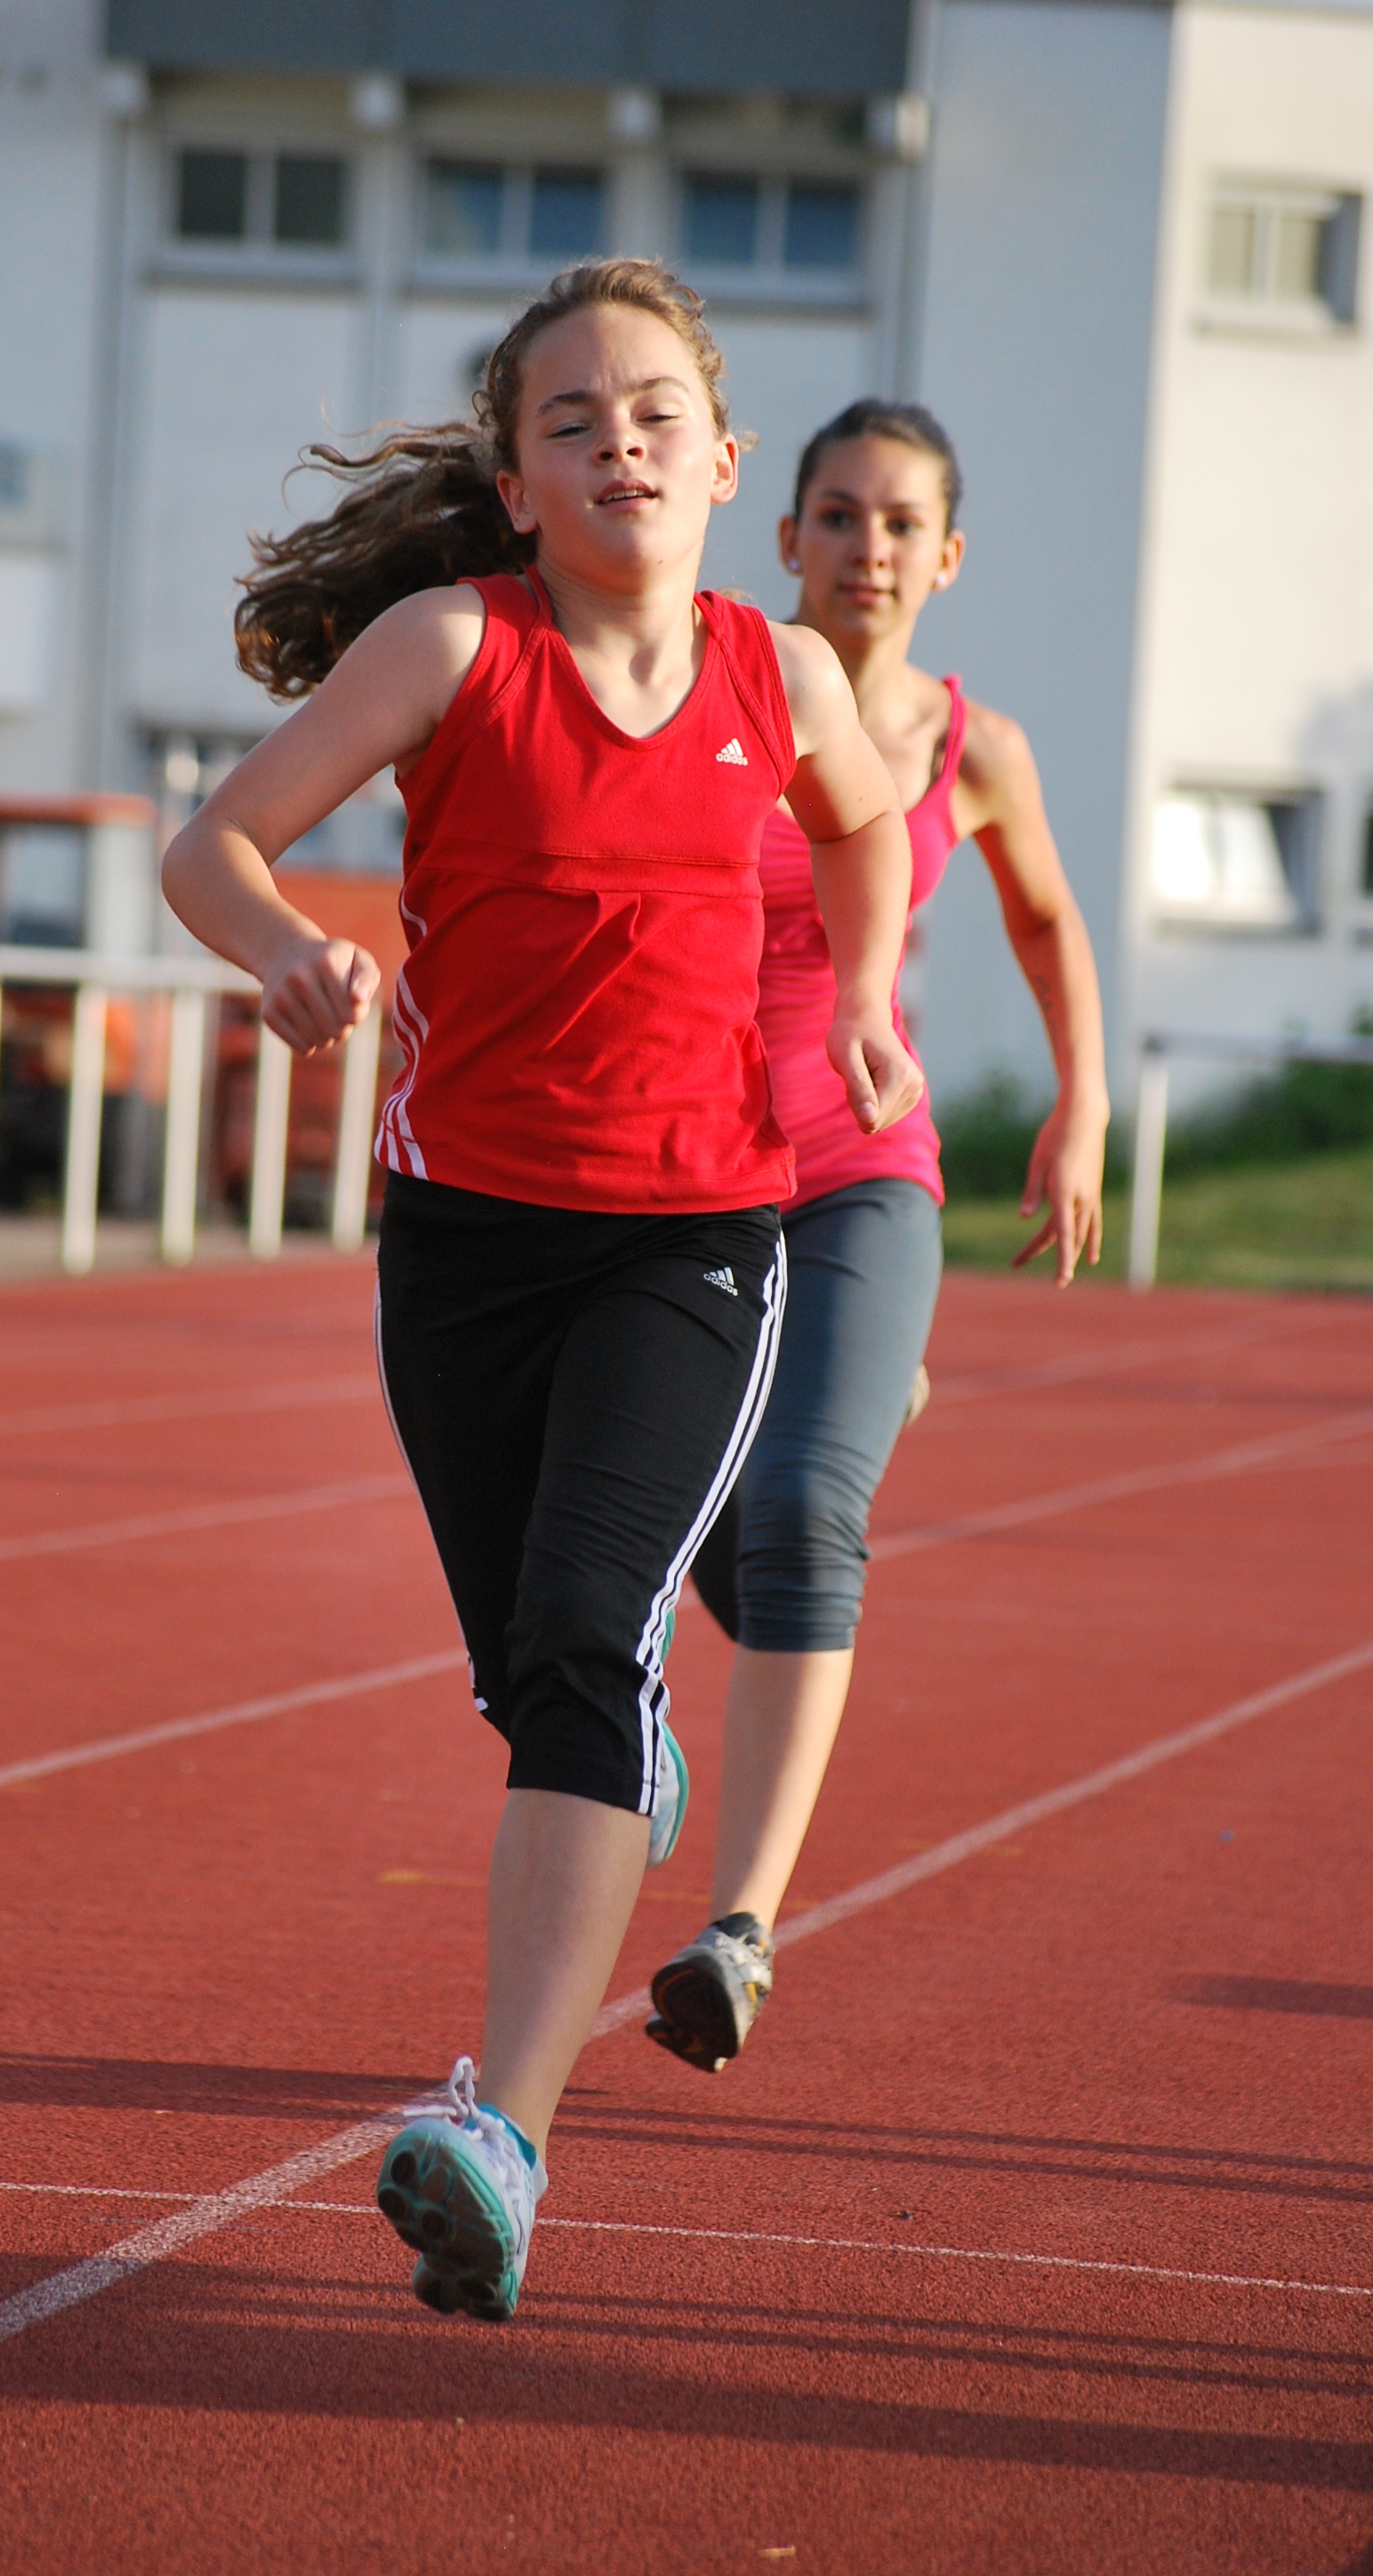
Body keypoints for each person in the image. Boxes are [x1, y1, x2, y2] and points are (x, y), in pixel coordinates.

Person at [161, 267, 923, 2320]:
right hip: (466, 1243)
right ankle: (607, 1748)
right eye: (571, 420)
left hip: (698, 1236)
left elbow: (865, 833)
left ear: (724, 459)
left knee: (587, 1643)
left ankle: (500, 2130)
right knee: (532, 1670)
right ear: (516, 480)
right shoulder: (453, 647)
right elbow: (216, 841)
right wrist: (283, 951)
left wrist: (859, 999)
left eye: (656, 411)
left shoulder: (785, 675)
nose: (620, 443)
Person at [646, 398, 1109, 2075]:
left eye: (902, 522)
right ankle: (644, 1678)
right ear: (785, 536)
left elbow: (1047, 920)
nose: (868, 548)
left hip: (861, 1161)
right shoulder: (714, 685)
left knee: (803, 1513)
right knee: (672, 1524)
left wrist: (1082, 1106)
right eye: (837, 515)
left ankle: (739, 1931)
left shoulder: (974, 748)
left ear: (948, 555)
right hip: (687, 1169)